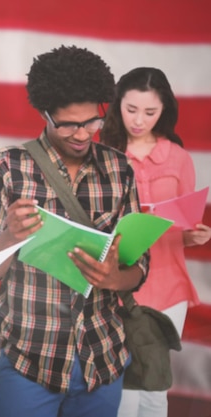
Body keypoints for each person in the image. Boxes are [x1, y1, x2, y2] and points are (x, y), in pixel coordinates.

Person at [0, 45, 150, 417]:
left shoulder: (119, 169)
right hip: (30, 362)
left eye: (92, 121)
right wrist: (9, 238)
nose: (83, 134)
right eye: (68, 123)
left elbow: (140, 265)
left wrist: (116, 277)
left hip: (102, 361)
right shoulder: (6, 167)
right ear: (44, 113)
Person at [99, 67, 211, 417]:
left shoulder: (178, 157)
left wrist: (194, 236)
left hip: (167, 287)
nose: (139, 120)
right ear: (118, 105)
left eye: (150, 112)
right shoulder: (102, 153)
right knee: (122, 388)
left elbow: (182, 226)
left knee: (154, 385)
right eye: (131, 109)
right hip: (116, 284)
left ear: (164, 111)